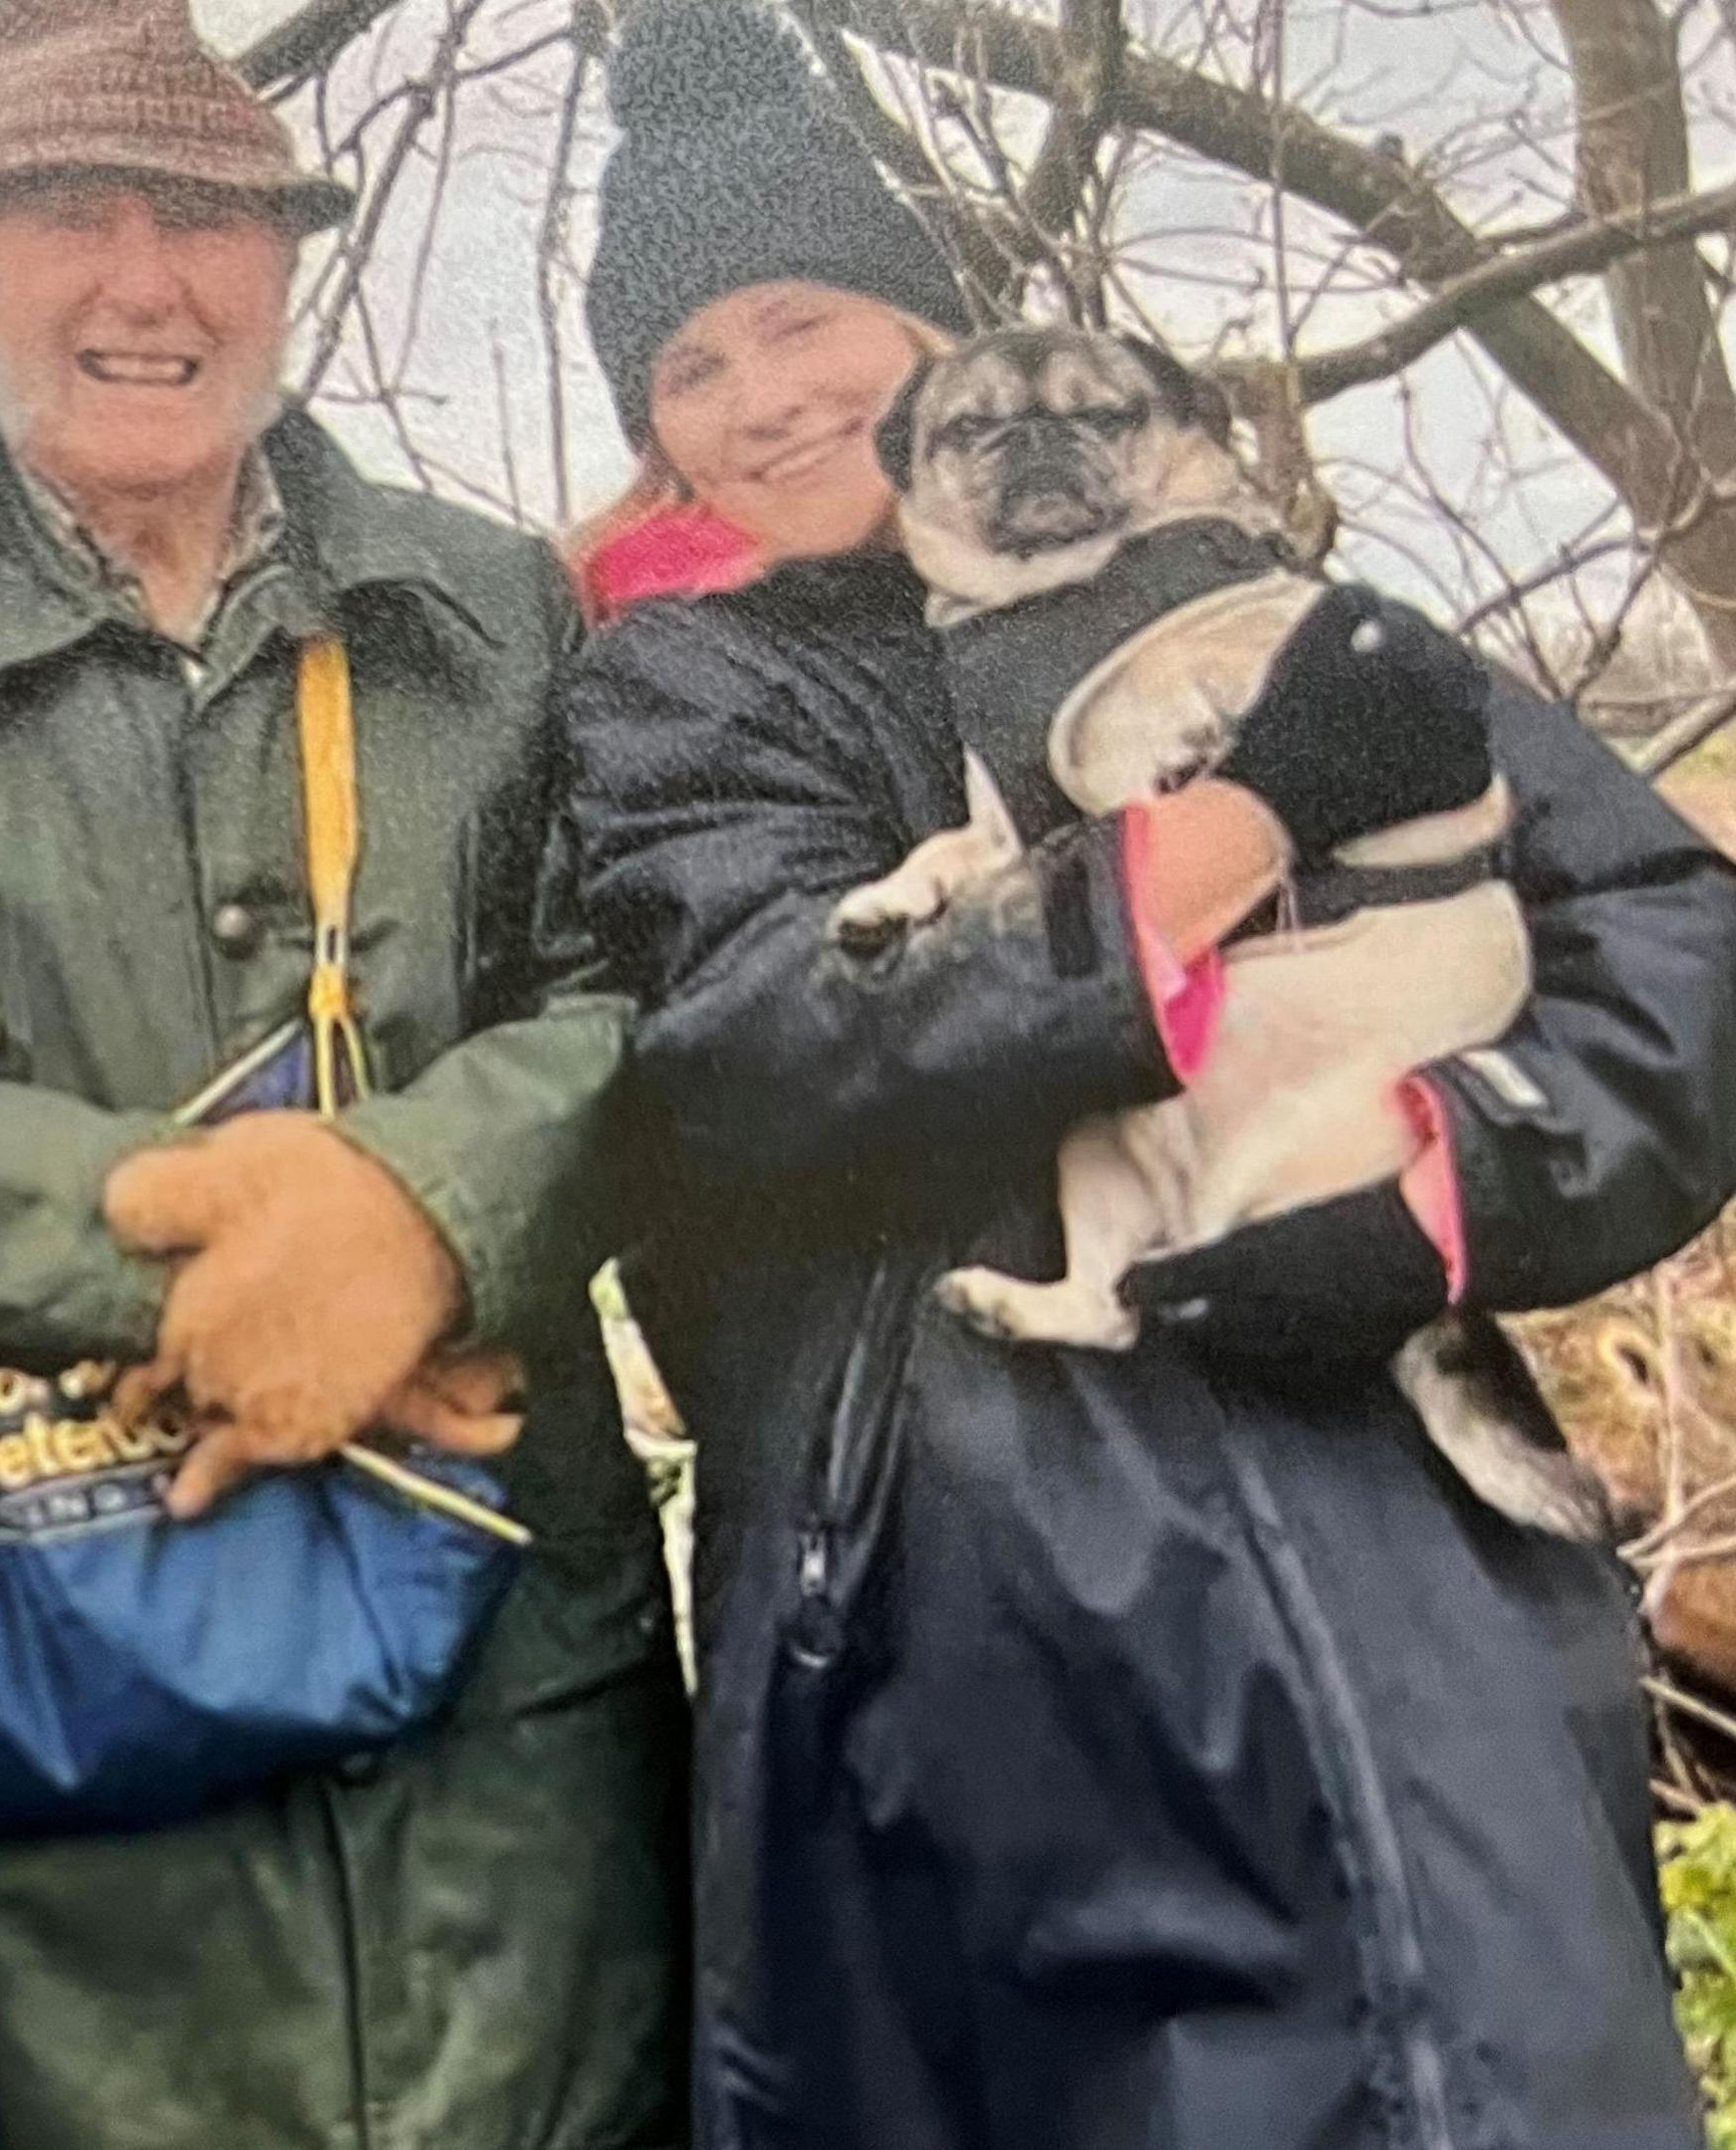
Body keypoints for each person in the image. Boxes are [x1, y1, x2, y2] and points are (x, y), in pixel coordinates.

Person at [556, 6, 1733, 2145]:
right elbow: (759, 1053)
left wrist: (1445, 1187)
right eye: (688, 367)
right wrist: (1230, 834)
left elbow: (1665, 937)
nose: (762, 399)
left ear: (937, 322)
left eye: (802, 315)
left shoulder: (1249, 596)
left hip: (1409, 1525)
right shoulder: (671, 697)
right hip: (966, 1604)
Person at [0, 2, 687, 2143]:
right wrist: (190, 1262)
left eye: (202, 217)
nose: (144, 281)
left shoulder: (496, 610)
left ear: (286, 260)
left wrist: (412, 1219)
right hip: (51, 1675)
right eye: (67, 218)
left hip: (513, 1690)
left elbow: (650, 1003)